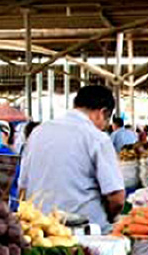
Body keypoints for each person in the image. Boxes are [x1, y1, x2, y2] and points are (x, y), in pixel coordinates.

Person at [19, 85, 125, 233]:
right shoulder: (96, 137)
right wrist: (110, 217)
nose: (103, 127)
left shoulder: (38, 133)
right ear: (102, 113)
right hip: (85, 233)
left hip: (40, 231)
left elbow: (22, 188)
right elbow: (117, 197)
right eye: (105, 122)